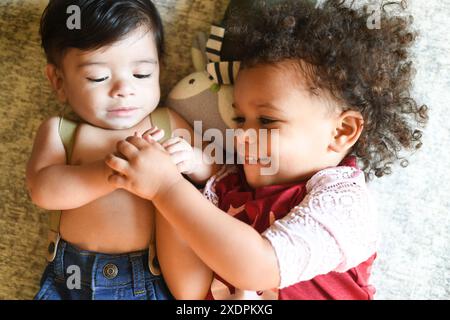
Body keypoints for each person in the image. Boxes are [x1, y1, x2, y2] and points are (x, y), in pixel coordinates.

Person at [104, 0, 428, 299]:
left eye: (267, 120)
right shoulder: (230, 187)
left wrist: (166, 189)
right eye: (240, 118)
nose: (243, 135)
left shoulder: (343, 202)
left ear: (341, 131)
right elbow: (190, 290)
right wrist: (174, 185)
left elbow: (259, 268)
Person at [26, 0, 215, 300]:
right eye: (98, 78)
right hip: (70, 280)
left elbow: (216, 172)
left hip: (148, 279)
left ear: (159, 70)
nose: (123, 89)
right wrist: (110, 171)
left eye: (141, 74)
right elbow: (43, 190)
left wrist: (192, 161)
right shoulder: (62, 132)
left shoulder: (166, 122)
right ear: (59, 81)